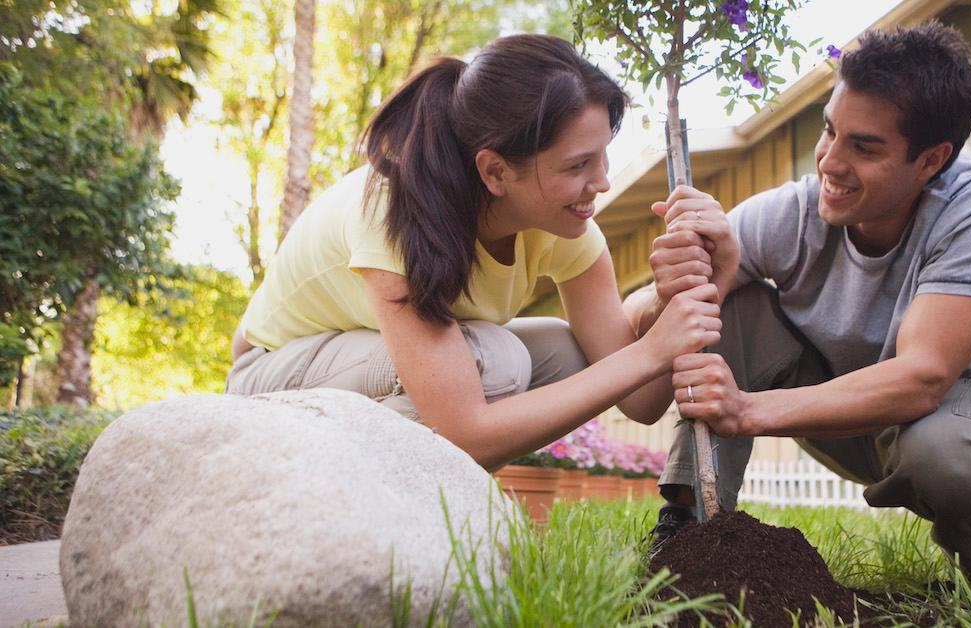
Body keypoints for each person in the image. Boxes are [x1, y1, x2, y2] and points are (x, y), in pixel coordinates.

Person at [626, 21, 971, 584]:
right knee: (728, 304)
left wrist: (745, 410)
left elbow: (923, 377)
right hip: (836, 413)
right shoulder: (790, 215)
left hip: (946, 420)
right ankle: (688, 533)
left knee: (945, 455)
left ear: (931, 160)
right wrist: (674, 288)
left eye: (863, 147)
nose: (829, 162)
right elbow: (642, 321)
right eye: (829, 131)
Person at [226, 34, 722, 472]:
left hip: (357, 363)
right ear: (496, 171)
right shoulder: (397, 210)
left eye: (602, 157)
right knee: (497, 360)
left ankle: (429, 495)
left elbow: (640, 398)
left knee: (569, 353)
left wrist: (675, 296)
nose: (602, 182)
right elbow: (466, 430)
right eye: (577, 165)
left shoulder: (568, 229)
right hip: (270, 377)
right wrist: (651, 351)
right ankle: (340, 495)